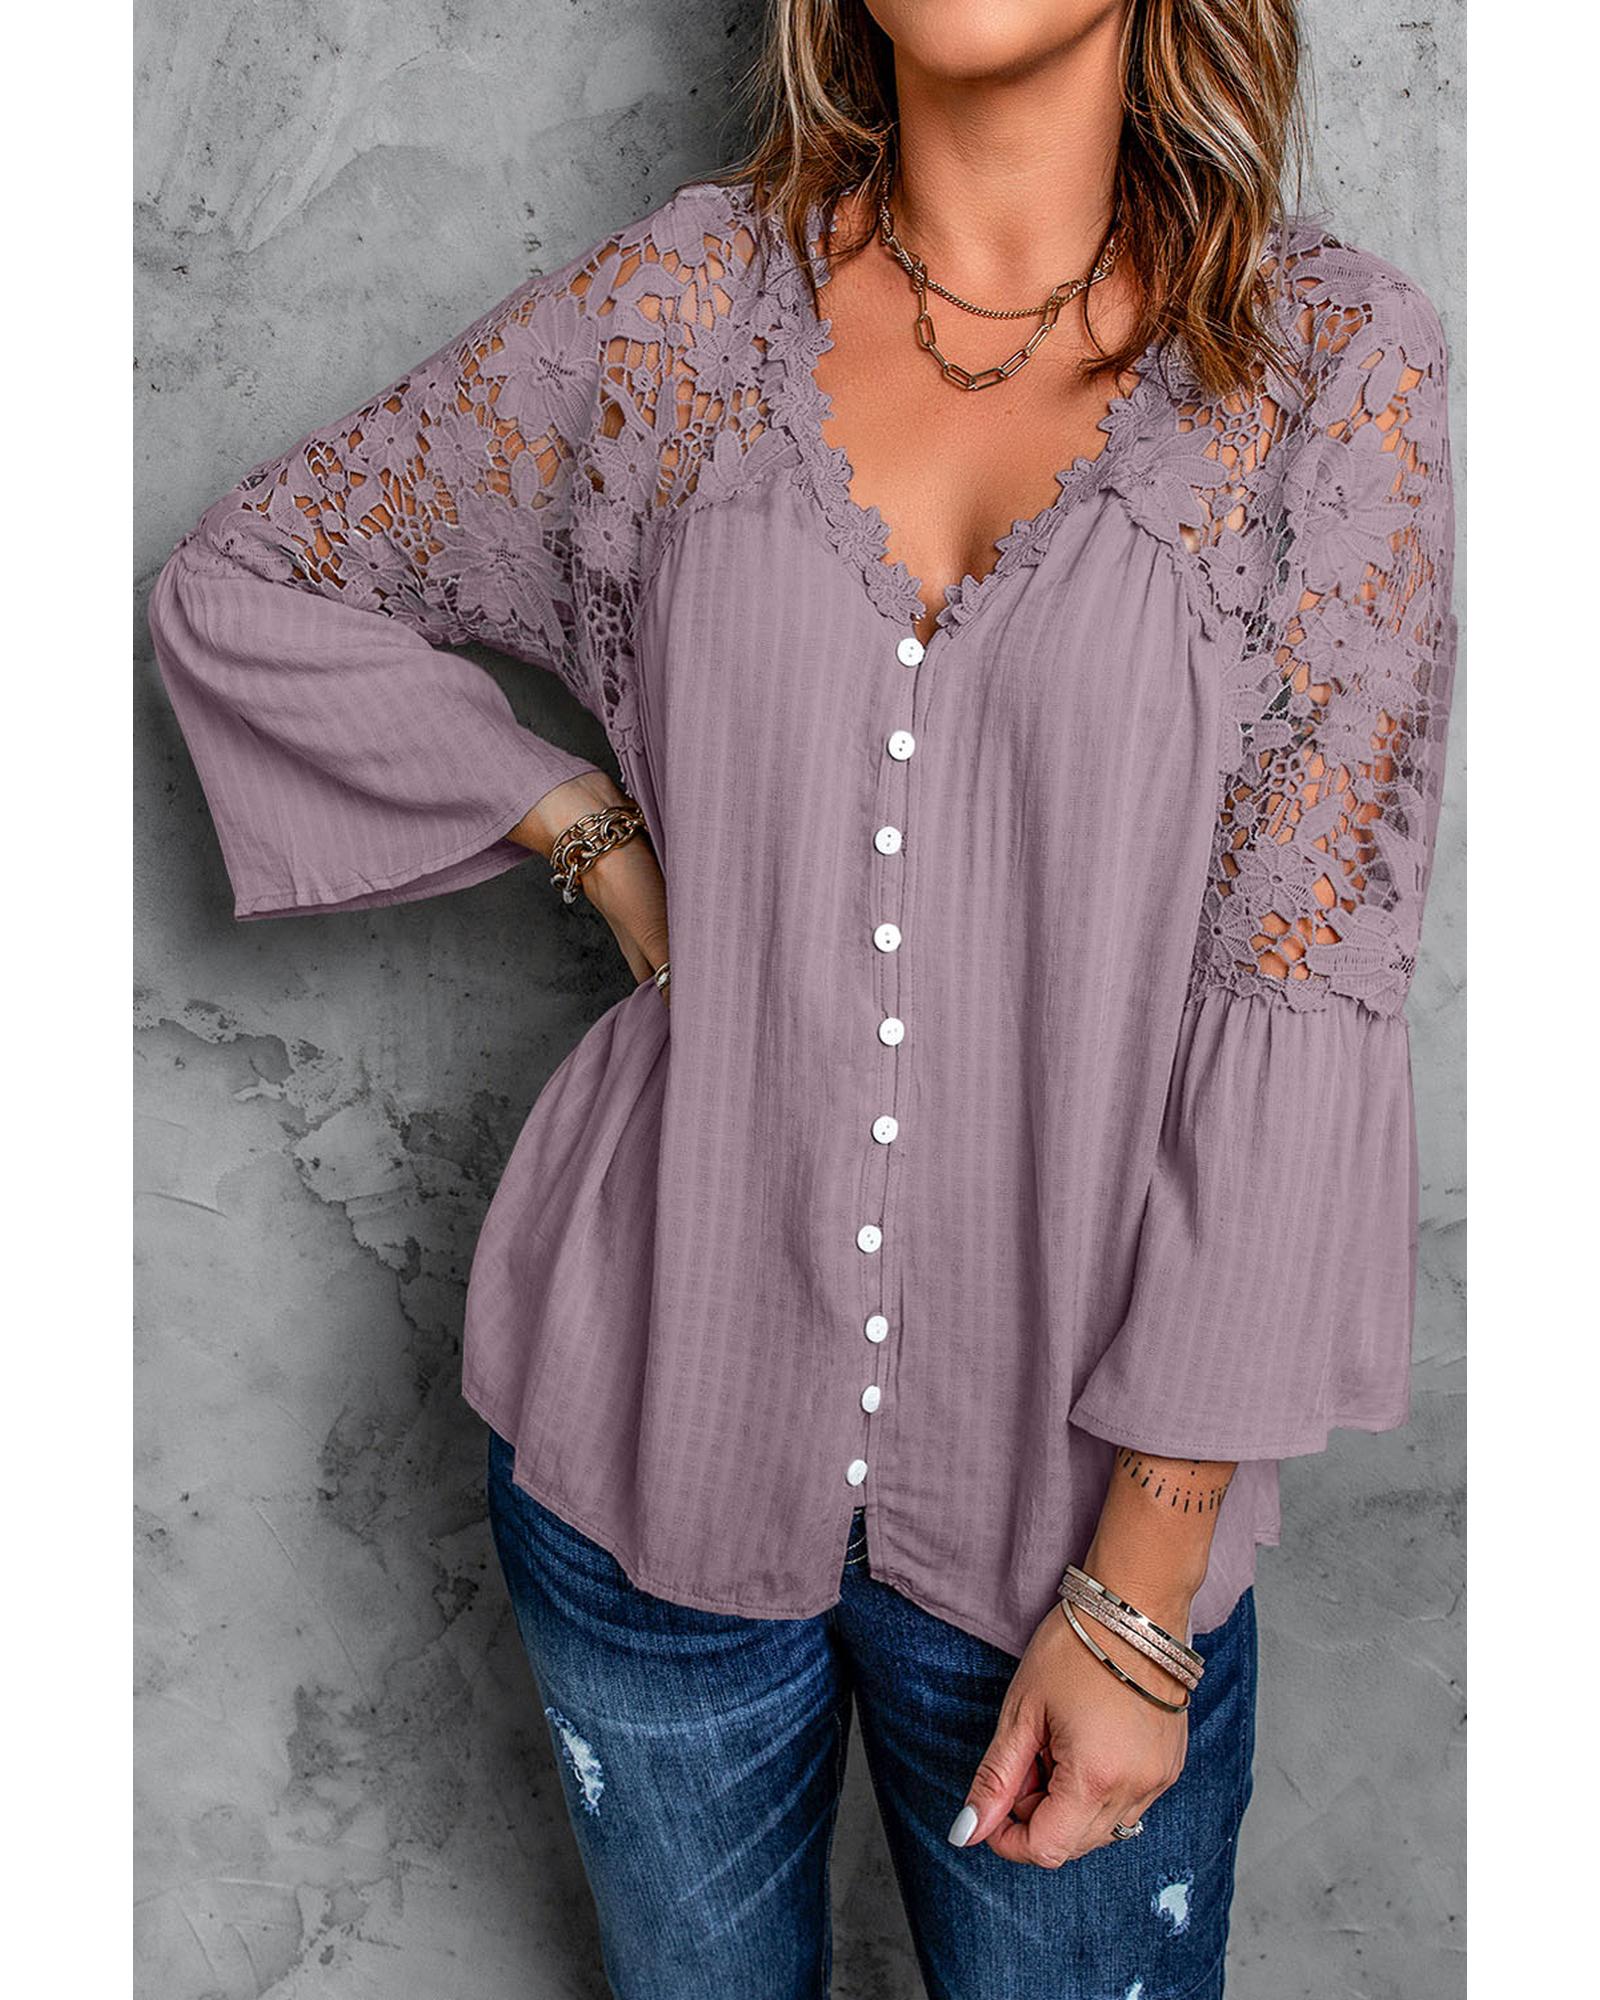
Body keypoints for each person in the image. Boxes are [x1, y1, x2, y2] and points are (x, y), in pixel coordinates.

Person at [146, 1, 1458, 1993]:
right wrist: (589, 832)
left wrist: (1140, 1585)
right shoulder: (679, 320)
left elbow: (1304, 973)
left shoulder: (1327, 370)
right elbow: (251, 577)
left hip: (1078, 1531)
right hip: (643, 1436)